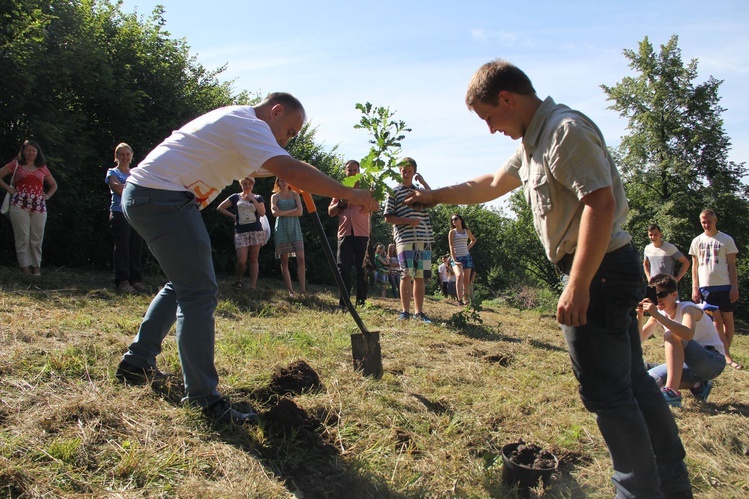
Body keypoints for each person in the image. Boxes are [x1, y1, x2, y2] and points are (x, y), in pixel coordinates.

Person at [404, 60, 692, 497]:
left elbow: (600, 203)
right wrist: (433, 196)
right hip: (604, 271)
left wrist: (577, 285)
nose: (490, 128)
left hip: (599, 274)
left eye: (489, 117)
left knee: (608, 393)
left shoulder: (563, 131)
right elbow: (491, 183)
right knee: (632, 380)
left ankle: (636, 490)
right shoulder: (532, 141)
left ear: (507, 99)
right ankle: (671, 483)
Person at [114, 93, 378, 425]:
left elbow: (287, 165)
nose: (287, 139)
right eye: (290, 131)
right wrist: (351, 193)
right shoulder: (249, 124)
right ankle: (203, 400)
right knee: (198, 292)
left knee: (181, 285)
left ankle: (136, 364)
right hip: (162, 196)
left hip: (147, 194)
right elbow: (288, 168)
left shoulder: (242, 127)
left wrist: (306, 174)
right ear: (276, 111)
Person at [638, 274, 726, 407]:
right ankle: (699, 385)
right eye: (654, 295)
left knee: (670, 335)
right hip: (688, 366)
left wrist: (656, 315)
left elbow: (687, 334)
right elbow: (639, 339)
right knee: (650, 380)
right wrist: (639, 316)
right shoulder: (659, 314)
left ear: (674, 295)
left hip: (712, 361)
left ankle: (672, 393)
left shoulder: (687, 308)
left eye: (661, 295)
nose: (658, 299)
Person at [689, 209, 742, 370]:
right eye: (703, 222)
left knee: (728, 321)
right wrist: (695, 288)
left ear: (715, 220)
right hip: (706, 287)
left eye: (709, 222)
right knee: (716, 322)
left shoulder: (726, 239)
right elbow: (694, 266)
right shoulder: (696, 241)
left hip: (725, 286)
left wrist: (734, 286)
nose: (706, 225)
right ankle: (726, 356)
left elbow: (732, 266)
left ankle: (724, 352)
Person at [384, 157, 433, 323]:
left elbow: (433, 199)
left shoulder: (420, 192)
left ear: (414, 172)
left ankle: (419, 313)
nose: (406, 173)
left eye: (409, 171)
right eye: (403, 170)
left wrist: (424, 182)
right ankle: (405, 311)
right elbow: (388, 217)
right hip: (405, 238)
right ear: (399, 171)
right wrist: (408, 221)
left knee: (420, 276)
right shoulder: (394, 191)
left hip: (423, 238)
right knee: (406, 274)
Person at [0, 140, 57, 276]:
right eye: (28, 150)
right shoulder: (16, 165)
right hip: (19, 204)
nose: (31, 153)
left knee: (37, 237)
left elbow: (54, 185)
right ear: (23, 151)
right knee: (22, 236)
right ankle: (24, 268)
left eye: (33, 150)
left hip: (39, 206)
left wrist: (47, 196)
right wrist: (10, 189)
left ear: (37, 153)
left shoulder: (42, 167)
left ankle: (36, 267)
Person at [328, 160, 371, 307]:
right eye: (349, 170)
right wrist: (341, 204)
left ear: (359, 172)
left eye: (354, 170)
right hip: (344, 233)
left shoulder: (366, 189)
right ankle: (344, 302)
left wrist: (361, 201)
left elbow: (376, 206)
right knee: (343, 268)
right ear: (345, 172)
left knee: (362, 268)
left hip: (362, 233)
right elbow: (330, 212)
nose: (352, 172)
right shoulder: (339, 189)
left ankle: (361, 301)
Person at [106, 143, 145, 293]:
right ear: (116, 157)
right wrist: (133, 189)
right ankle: (122, 280)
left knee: (136, 246)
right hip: (119, 213)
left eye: (127, 154)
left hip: (135, 214)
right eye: (121, 154)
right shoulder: (112, 172)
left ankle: (135, 279)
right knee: (122, 247)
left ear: (131, 156)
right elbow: (117, 188)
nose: (125, 157)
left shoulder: (135, 173)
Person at [217, 175, 266, 291]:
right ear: (241, 184)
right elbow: (220, 208)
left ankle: (253, 286)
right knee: (241, 261)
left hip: (255, 230)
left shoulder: (258, 197)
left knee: (254, 259)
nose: (247, 186)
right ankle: (239, 280)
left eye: (249, 184)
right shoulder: (235, 197)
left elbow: (262, 212)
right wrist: (233, 216)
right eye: (245, 184)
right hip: (240, 231)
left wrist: (252, 199)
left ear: (253, 185)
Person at [271, 177, 305, 297]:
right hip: (281, 228)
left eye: (286, 180)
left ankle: (303, 290)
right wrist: (292, 210)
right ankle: (291, 291)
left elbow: (300, 212)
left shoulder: (295, 195)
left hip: (295, 228)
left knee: (301, 258)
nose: (284, 182)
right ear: (278, 182)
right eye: (281, 180)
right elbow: (274, 213)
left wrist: (282, 212)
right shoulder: (275, 197)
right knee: (284, 260)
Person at [448, 214, 477, 305]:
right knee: (459, 276)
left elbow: (473, 240)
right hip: (456, 257)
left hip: (466, 256)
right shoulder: (452, 232)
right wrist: (454, 259)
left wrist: (467, 248)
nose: (454, 221)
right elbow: (451, 246)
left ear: (461, 220)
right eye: (452, 220)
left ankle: (466, 300)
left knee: (466, 281)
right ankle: (459, 300)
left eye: (455, 219)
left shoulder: (466, 231)